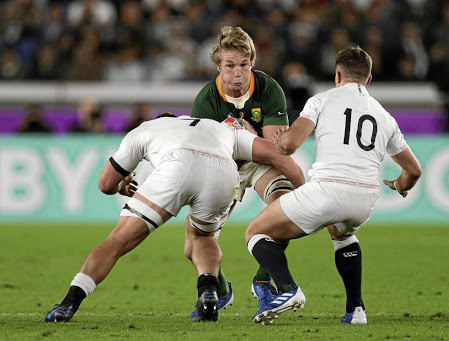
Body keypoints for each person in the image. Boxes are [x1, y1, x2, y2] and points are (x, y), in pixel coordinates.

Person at [44, 113, 305, 323]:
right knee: (203, 236)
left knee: (118, 240)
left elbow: (104, 184)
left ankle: (69, 303)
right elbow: (275, 154)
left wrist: (121, 186)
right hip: (223, 172)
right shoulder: (219, 127)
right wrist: (304, 192)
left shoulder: (145, 129)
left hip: (176, 165)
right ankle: (209, 292)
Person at [245, 47, 422, 325]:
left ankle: (289, 290)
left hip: (327, 190)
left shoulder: (322, 100)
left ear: (337, 74)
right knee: (341, 235)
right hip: (365, 200)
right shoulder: (384, 116)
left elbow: (290, 145)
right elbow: (414, 170)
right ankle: (356, 310)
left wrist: (281, 141)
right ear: (369, 79)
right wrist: (401, 184)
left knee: (255, 232)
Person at [189, 26, 294, 317]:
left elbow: (277, 149)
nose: (238, 73)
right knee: (193, 239)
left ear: (252, 63)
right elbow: (204, 155)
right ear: (218, 66)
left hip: (259, 160)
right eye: (230, 66)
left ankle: (263, 280)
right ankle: (219, 289)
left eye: (244, 65)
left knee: (286, 207)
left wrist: (248, 136)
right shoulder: (206, 100)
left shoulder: (268, 89)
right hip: (223, 165)